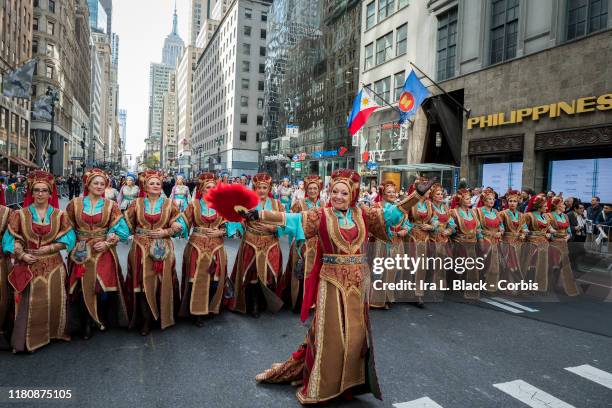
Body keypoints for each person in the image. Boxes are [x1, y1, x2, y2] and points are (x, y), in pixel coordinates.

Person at [252, 169, 435, 405]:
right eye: (335, 191)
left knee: (356, 337)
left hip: (358, 283)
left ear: (353, 195)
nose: (338, 196)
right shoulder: (321, 215)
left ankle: (349, 383)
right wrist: (258, 214)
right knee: (332, 336)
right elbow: (291, 219)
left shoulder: (363, 214)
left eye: (344, 193)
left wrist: (417, 196)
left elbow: (391, 214)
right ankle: (323, 386)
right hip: (331, 282)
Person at [2, 171, 76, 353]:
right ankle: (29, 340)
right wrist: (21, 255)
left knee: (54, 299)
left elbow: (70, 238)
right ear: (31, 192)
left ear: (51, 193)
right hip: (28, 264)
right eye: (37, 190)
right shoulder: (19, 214)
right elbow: (10, 239)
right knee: (31, 303)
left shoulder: (60, 215)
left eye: (44, 190)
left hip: (54, 265)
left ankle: (53, 333)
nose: (41, 194)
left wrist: (50, 248)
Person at [64, 169, 131, 340]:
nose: (99, 186)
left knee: (101, 287)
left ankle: (99, 318)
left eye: (102, 184)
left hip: (103, 250)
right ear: (88, 184)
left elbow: (122, 231)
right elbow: (67, 229)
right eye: (96, 183)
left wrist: (108, 241)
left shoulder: (111, 206)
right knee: (80, 287)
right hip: (81, 251)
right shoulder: (75, 204)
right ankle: (85, 322)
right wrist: (73, 248)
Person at [123, 170, 187, 336]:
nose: (155, 186)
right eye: (151, 183)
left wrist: (168, 231)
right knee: (143, 283)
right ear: (145, 186)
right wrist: (111, 235)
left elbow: (179, 224)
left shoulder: (169, 204)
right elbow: (125, 225)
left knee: (162, 282)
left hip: (163, 248)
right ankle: (145, 319)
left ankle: (162, 315)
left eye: (158, 183)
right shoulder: (136, 203)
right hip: (140, 248)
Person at [179, 173, 242, 327]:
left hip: (216, 247)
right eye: (208, 187)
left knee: (215, 280)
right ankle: (196, 312)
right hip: (196, 247)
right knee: (195, 280)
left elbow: (232, 224)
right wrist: (176, 226)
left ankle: (209, 307)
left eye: (214, 187)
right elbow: (183, 221)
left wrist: (221, 231)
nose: (212, 189)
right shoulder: (194, 205)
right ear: (201, 189)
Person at [229, 173, 288, 317]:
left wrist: (274, 228)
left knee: (269, 273)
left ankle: (264, 301)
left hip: (270, 243)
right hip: (251, 241)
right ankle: (253, 304)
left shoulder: (276, 204)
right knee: (252, 273)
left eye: (264, 187)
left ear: (269, 189)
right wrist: (243, 221)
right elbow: (237, 218)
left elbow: (285, 223)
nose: (261, 190)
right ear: (254, 188)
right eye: (259, 187)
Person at [369, 180, 411, 309]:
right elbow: (371, 226)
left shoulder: (400, 207)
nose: (392, 194)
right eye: (389, 192)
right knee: (380, 271)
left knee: (394, 270)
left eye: (394, 192)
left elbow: (407, 223)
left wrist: (405, 230)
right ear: (383, 193)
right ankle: (377, 299)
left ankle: (389, 297)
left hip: (397, 243)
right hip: (381, 243)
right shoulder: (377, 207)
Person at [284, 175, 322, 312]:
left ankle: (315, 301)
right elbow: (292, 223)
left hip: (318, 245)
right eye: (310, 188)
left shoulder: (324, 204)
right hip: (303, 243)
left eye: (315, 188)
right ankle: (300, 302)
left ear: (319, 190)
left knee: (316, 273)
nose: (312, 191)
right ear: (306, 189)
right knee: (300, 272)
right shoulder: (299, 203)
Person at [449, 189, 483, 299]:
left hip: (472, 243)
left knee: (471, 267)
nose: (469, 200)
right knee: (462, 266)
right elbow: (451, 227)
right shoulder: (454, 212)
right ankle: (457, 286)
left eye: (469, 198)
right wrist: (452, 231)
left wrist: (480, 239)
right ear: (460, 200)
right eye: (467, 198)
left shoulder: (473, 212)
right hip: (460, 243)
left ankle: (468, 288)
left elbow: (477, 227)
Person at [545, 197, 579, 296]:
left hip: (564, 243)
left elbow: (569, 232)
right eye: (562, 204)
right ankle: (546, 284)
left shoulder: (565, 216)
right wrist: (552, 236)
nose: (564, 206)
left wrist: (567, 237)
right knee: (551, 266)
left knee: (563, 266)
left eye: (564, 204)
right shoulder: (548, 216)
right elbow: (545, 231)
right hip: (553, 244)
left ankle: (559, 285)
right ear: (556, 205)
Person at [474, 189, 504, 291]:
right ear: (484, 200)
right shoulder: (478, 211)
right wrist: (481, 239)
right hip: (485, 239)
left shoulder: (496, 212)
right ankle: (479, 283)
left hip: (495, 239)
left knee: (495, 263)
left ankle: (490, 285)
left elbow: (501, 225)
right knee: (484, 262)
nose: (492, 201)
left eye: (493, 199)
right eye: (489, 199)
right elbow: (477, 227)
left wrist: (501, 232)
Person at [523, 194, 552, 294]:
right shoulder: (529, 215)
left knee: (542, 266)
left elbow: (549, 229)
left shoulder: (546, 216)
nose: (547, 208)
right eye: (545, 206)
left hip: (544, 244)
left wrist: (550, 233)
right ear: (539, 206)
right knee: (530, 266)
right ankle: (527, 287)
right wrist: (528, 233)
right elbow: (523, 228)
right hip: (532, 243)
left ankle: (539, 286)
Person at [499, 190, 528, 288]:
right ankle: (508, 285)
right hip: (506, 242)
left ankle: (514, 285)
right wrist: (501, 230)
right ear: (507, 202)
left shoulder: (521, 215)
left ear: (518, 202)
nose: (512, 203)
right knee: (508, 264)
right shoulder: (502, 213)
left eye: (514, 201)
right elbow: (500, 226)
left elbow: (525, 227)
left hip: (518, 243)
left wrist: (524, 234)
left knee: (517, 265)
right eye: (510, 201)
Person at [0, 202, 11, 349]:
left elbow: (10, 238)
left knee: (3, 297)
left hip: (1, 261)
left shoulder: (6, 212)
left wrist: (12, 252)